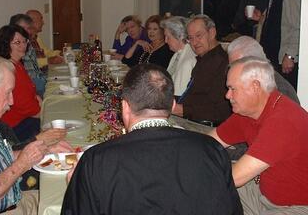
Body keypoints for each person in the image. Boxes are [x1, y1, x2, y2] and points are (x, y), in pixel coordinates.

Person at [61, 63, 243, 215]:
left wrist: (77, 188)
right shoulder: (211, 149)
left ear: (124, 107)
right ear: (172, 105)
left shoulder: (96, 161)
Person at [209, 57, 308, 215]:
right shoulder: (247, 112)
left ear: (255, 87)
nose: (227, 95)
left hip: (297, 207)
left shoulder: (283, 120)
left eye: (233, 88)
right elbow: (208, 143)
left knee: (213, 181)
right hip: (262, 194)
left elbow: (235, 177)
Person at [0, 55, 72, 214]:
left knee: (71, 197)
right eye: (8, 93)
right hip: (5, 210)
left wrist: (44, 150)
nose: (12, 101)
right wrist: (22, 164)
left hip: (16, 199)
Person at [251, 0, 301, 90]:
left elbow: (298, 27)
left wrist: (290, 55)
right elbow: (277, 23)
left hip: (285, 62)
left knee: (288, 100)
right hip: (273, 61)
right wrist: (261, 19)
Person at [173, 15, 231, 126]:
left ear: (212, 33)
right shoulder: (203, 60)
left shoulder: (223, 63)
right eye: (191, 38)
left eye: (199, 36)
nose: (194, 42)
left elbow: (222, 111)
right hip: (189, 121)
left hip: (205, 128)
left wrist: (182, 110)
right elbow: (194, 97)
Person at [0, 25, 41, 141]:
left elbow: (30, 95)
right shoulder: (9, 69)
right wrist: (42, 110)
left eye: (24, 41)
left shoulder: (17, 64)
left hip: (22, 119)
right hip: (14, 128)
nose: (23, 46)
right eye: (17, 42)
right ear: (6, 44)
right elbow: (27, 107)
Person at [227, 36, 299, 104]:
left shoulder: (280, 91)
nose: (231, 71)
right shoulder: (255, 84)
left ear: (255, 63)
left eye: (235, 67)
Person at [9, 13, 47, 97]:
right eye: (24, 28)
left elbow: (36, 71)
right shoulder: (15, 48)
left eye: (29, 28)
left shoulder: (28, 44)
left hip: (36, 88)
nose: (28, 31)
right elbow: (33, 80)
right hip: (31, 92)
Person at [160, 16, 196, 98]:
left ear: (180, 36)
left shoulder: (188, 61)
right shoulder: (178, 54)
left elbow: (178, 95)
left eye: (168, 37)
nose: (165, 41)